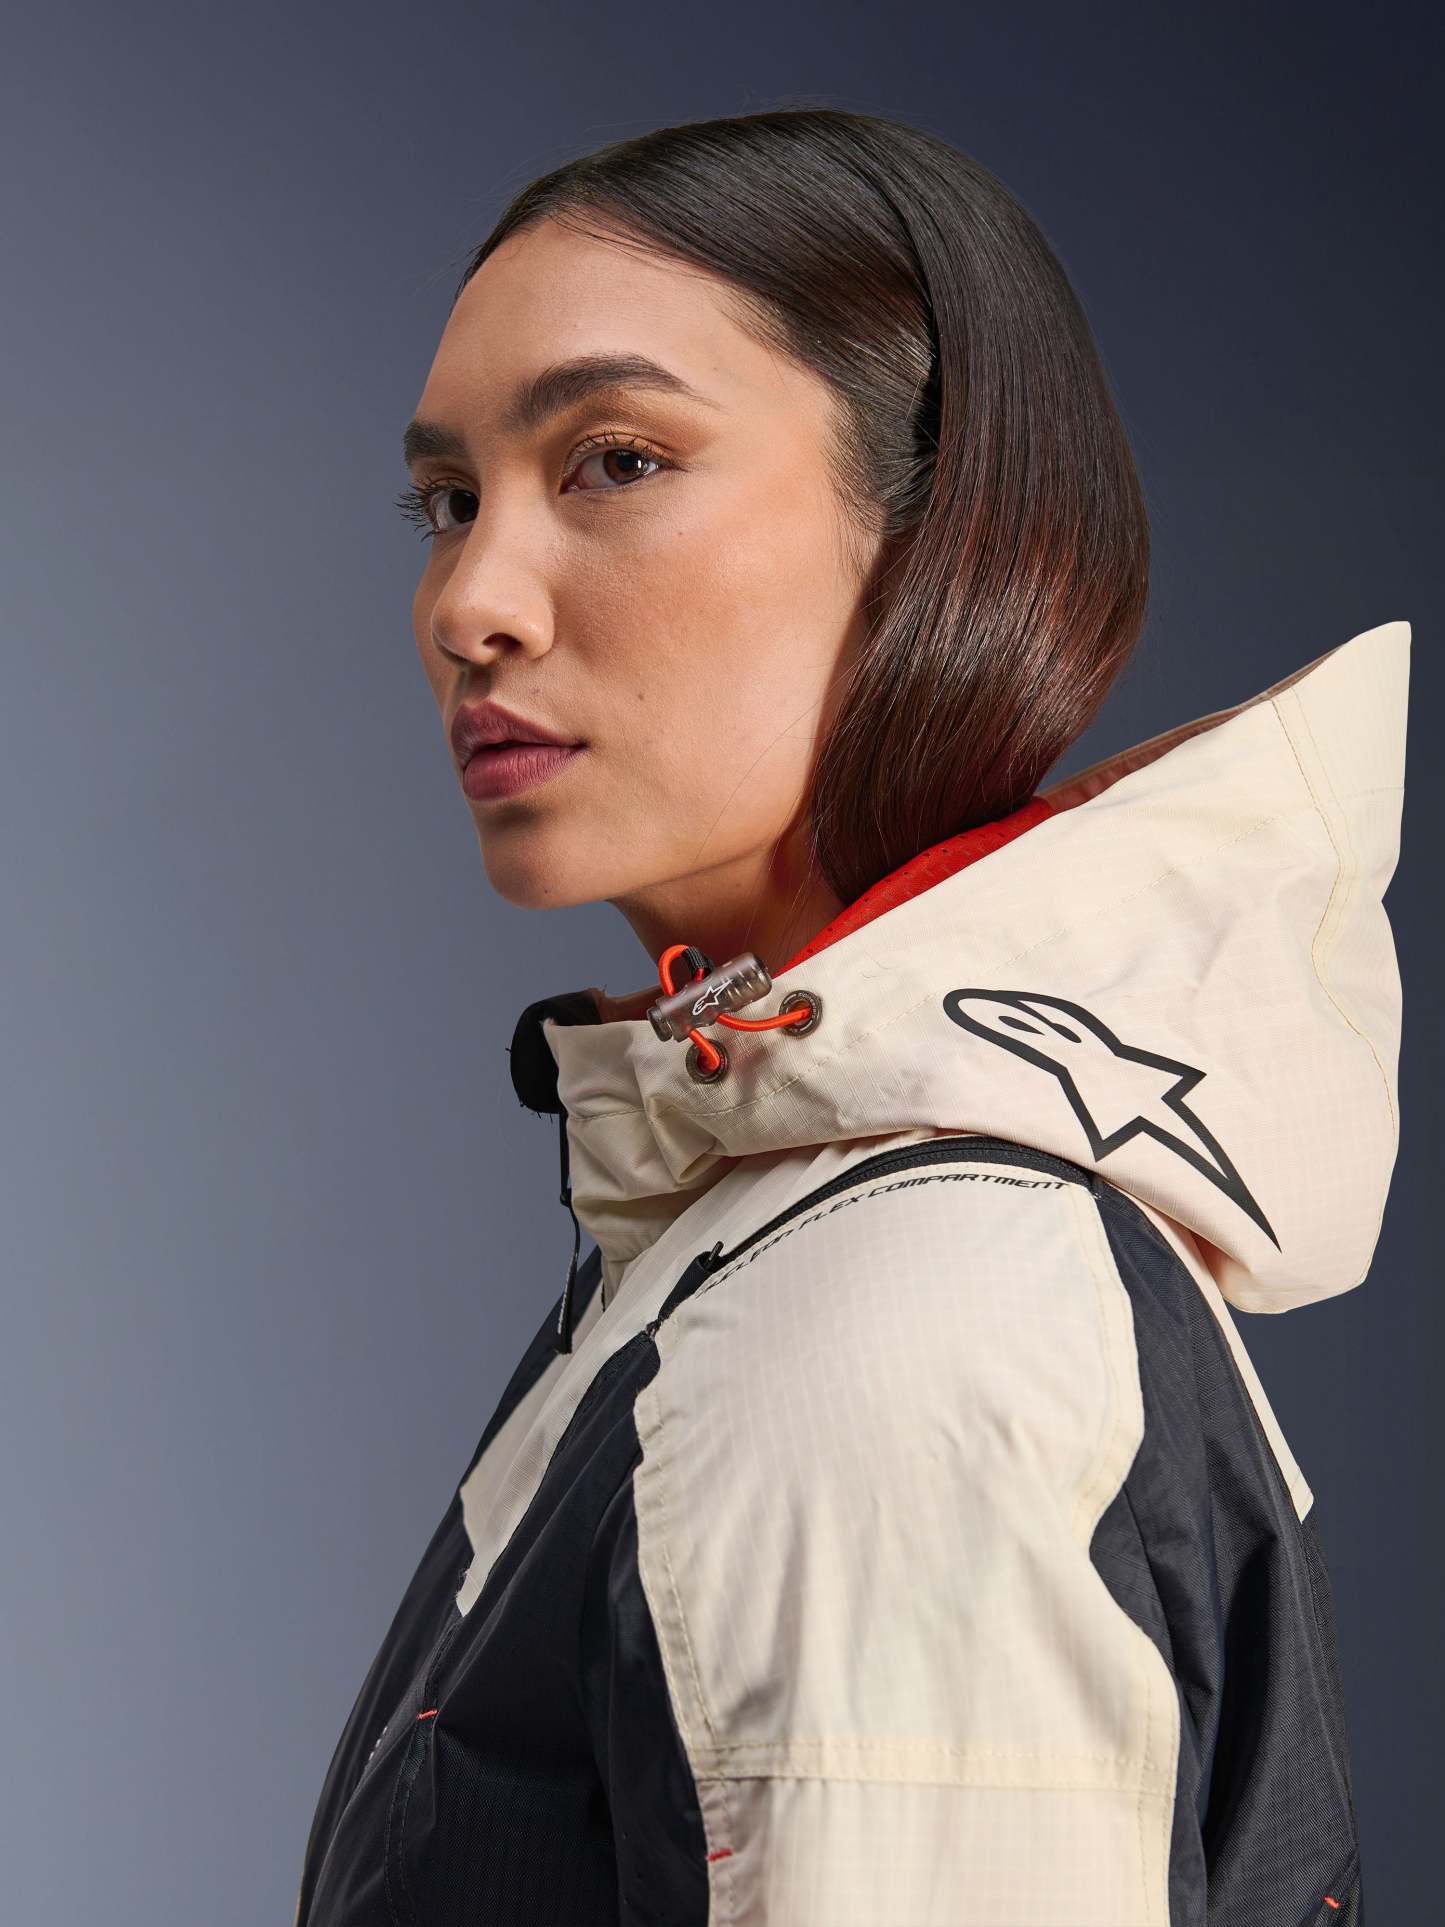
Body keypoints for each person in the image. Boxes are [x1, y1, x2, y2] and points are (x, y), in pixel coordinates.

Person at [294, 107, 1405, 1926]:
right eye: (448, 504)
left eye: (616, 461)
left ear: (942, 536)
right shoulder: (784, 1236)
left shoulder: (898, 1326)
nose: (470, 603)